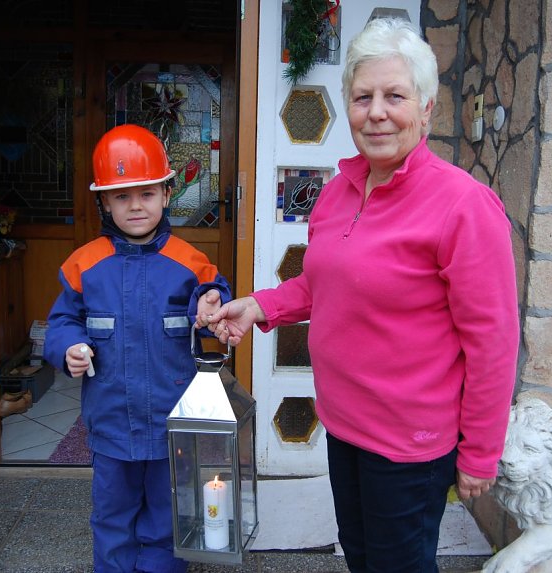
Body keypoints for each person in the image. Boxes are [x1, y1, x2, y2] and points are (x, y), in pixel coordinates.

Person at [200, 18, 519, 573]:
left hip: (410, 445)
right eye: (362, 96)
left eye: (394, 96)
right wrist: (259, 306)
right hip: (345, 425)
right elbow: (323, 284)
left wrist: (480, 453)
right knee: (363, 557)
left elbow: (493, 341)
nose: (376, 111)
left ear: (426, 108)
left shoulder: (464, 205)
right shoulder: (339, 190)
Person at [44, 124, 231, 573]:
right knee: (111, 517)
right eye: (121, 196)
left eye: (146, 193)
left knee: (166, 519)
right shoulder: (83, 265)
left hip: (171, 424)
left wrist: (213, 301)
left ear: (167, 195)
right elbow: (62, 321)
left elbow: (212, 296)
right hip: (110, 425)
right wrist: (69, 346)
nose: (135, 206)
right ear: (104, 202)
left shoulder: (190, 262)